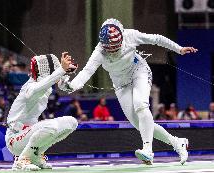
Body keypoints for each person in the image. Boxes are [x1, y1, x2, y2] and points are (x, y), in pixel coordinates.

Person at [60, 18, 197, 165]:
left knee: (141, 105)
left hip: (139, 72)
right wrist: (70, 86)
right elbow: (86, 73)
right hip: (121, 84)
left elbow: (156, 39)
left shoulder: (130, 35)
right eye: (109, 48)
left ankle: (148, 150)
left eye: (115, 47)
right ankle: (178, 143)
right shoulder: (99, 51)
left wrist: (178, 48)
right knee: (139, 124)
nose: (113, 50)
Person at [5, 52, 78, 171]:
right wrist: (61, 70)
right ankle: (22, 160)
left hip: (28, 135)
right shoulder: (30, 87)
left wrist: (65, 74)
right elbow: (43, 85)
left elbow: (60, 84)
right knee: (51, 126)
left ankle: (35, 156)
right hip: (15, 138)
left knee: (71, 122)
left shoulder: (46, 86)